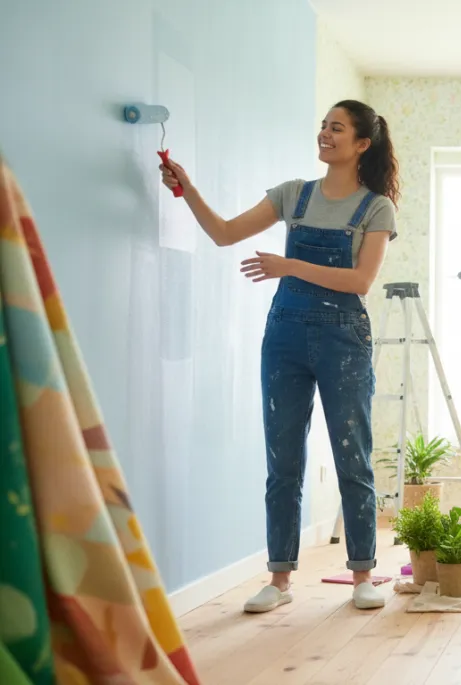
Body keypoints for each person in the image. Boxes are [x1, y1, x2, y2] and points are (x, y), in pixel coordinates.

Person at [159, 100, 398, 612]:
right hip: (285, 335)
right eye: (323, 126)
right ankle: (280, 580)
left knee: (352, 456)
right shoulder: (295, 195)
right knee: (282, 460)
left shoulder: (376, 207)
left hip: (344, 339)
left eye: (336, 128)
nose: (324, 134)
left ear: (361, 144)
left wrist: (289, 264)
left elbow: (360, 281)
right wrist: (185, 187)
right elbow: (224, 233)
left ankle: (362, 576)